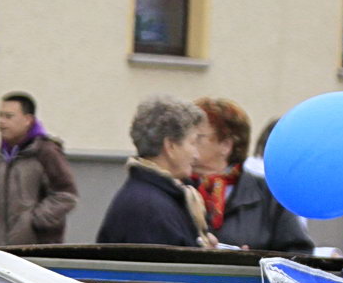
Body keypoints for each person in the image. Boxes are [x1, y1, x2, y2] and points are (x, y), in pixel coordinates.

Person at [192, 98, 313, 252]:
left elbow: (299, 253)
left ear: (226, 145)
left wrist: (252, 261)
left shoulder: (270, 195)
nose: (188, 141)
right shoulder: (178, 188)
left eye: (198, 137)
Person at [97, 95, 217, 248]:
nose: (196, 155)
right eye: (192, 143)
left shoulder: (160, 197)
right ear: (170, 146)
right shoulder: (149, 209)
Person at [0, 92, 78, 247]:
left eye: (9, 116)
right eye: (0, 116)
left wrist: (35, 221)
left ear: (28, 120)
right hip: (2, 246)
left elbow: (66, 195)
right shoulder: (3, 154)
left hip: (37, 248)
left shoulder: (45, 152)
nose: (1, 122)